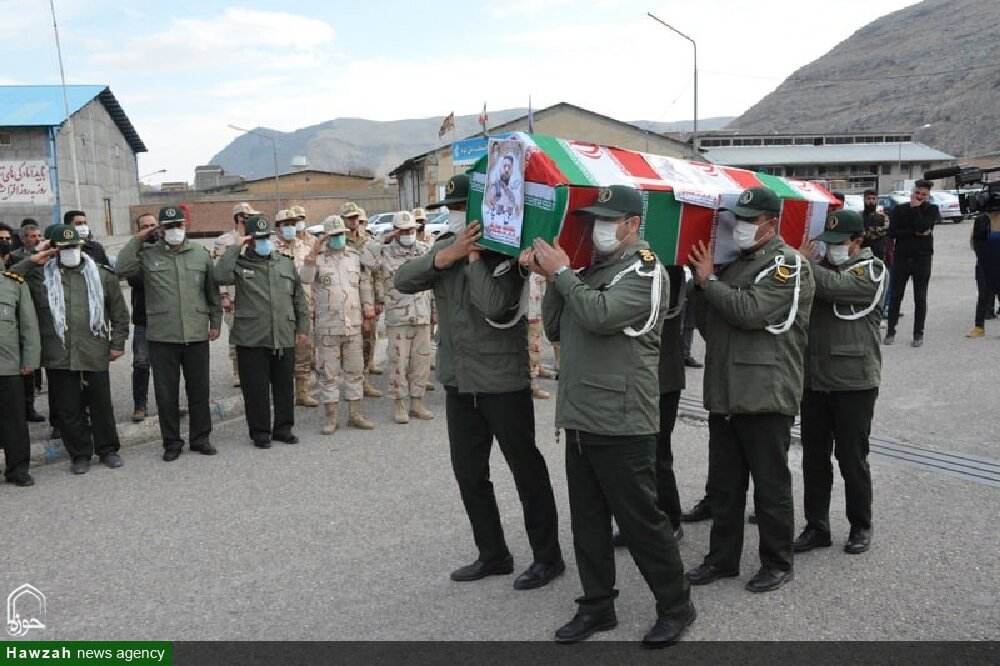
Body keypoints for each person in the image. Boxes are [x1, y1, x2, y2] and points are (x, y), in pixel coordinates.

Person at [527, 185, 694, 648]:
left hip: (622, 418)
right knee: (587, 521)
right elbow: (559, 326)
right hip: (582, 415)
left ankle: (676, 605)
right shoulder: (593, 269)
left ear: (632, 225)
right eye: (593, 220)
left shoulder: (644, 270)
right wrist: (556, 276)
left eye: (607, 220)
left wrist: (563, 275)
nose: (597, 229)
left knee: (642, 522)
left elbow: (601, 316)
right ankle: (597, 606)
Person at [395, 173, 563, 592]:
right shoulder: (444, 248)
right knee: (470, 474)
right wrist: (445, 257)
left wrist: (471, 260)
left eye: (459, 210)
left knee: (526, 470)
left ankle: (548, 558)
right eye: (448, 211)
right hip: (459, 381)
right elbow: (402, 281)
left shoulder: (505, 253)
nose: (453, 218)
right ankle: (493, 554)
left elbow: (493, 302)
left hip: (502, 382)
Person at [685, 186, 815, 593]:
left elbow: (750, 312)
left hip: (764, 392)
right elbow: (713, 324)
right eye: (734, 220)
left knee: (770, 485)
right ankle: (722, 559)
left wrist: (709, 284)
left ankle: (777, 562)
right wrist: (702, 287)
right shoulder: (735, 266)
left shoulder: (787, 265)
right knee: (724, 485)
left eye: (747, 220)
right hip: (726, 391)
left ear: (770, 224)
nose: (737, 227)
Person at [796, 210, 885, 556]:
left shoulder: (872, 271)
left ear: (858, 243)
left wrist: (803, 263)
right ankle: (816, 526)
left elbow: (838, 288)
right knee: (814, 460)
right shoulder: (819, 271)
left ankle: (860, 524)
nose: (831, 249)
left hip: (854, 383)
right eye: (828, 243)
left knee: (851, 459)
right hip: (815, 381)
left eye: (839, 243)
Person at [13, 225, 129, 475]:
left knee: (100, 405)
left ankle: (108, 450)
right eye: (64, 247)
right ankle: (79, 453)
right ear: (54, 249)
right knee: (69, 409)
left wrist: (118, 343)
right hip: (58, 353)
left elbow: (119, 313)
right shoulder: (39, 276)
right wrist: (34, 256)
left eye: (74, 246)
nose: (71, 251)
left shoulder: (102, 275)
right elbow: (10, 276)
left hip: (93, 349)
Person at [116, 204, 222, 461]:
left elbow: (212, 293)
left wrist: (215, 323)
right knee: (166, 393)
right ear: (160, 230)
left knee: (199, 390)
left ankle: (201, 438)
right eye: (169, 226)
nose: (175, 230)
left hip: (196, 333)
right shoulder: (148, 255)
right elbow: (122, 267)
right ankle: (172, 442)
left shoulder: (200, 254)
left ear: (185, 226)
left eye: (179, 225)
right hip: (162, 336)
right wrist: (140, 237)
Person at [215, 214, 310, 449]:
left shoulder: (285, 262)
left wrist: (303, 327)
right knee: (255, 389)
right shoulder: (239, 263)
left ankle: (283, 428)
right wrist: (236, 247)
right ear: (249, 240)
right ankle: (259, 432)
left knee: (284, 386)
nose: (263, 242)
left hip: (283, 333)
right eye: (258, 238)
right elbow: (220, 276)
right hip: (251, 336)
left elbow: (298, 297)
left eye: (266, 237)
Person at [300, 215, 376, 434]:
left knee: (355, 371)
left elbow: (364, 286)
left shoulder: (354, 257)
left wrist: (368, 311)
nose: (338, 239)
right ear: (326, 237)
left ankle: (356, 415)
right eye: (333, 236)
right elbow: (305, 278)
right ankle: (331, 418)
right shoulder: (318, 259)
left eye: (340, 235)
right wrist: (314, 251)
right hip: (327, 327)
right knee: (328, 374)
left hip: (352, 325)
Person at [377, 211, 434, 424]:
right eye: (404, 231)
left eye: (412, 230)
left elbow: (433, 281)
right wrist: (384, 239)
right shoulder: (385, 252)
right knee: (398, 363)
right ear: (396, 231)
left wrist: (434, 310)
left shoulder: (425, 250)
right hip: (398, 317)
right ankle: (399, 403)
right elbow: (365, 259)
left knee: (421, 362)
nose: (409, 234)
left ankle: (417, 402)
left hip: (421, 314)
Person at [0, 261, 41, 486]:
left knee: (14, 420)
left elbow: (28, 325)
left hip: (8, 365)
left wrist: (30, 360)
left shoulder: (13, 284)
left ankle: (17, 469)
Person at [885, 179, 939, 347]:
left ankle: (918, 333)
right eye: (917, 193)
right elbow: (893, 232)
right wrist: (915, 232)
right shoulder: (900, 209)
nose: (920, 197)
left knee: (920, 297)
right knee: (895, 296)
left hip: (922, 259)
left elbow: (923, 226)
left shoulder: (932, 209)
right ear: (912, 192)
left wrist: (916, 210)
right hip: (902, 258)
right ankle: (890, 331)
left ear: (928, 196)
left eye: (924, 195)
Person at [275, 209, 320, 408]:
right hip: (280, 308)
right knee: (281, 352)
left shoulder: (305, 246)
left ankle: (302, 392)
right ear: (278, 227)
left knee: (304, 349)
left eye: (292, 223)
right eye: (286, 224)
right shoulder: (271, 249)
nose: (290, 228)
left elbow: (312, 277)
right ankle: (282, 392)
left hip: (305, 305)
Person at [341, 201, 384, 397]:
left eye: (356, 218)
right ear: (343, 220)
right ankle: (351, 381)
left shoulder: (368, 240)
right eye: (350, 218)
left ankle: (364, 379)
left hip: (367, 298)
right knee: (348, 343)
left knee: (368, 340)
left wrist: (379, 299)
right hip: (345, 300)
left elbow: (377, 272)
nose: (354, 221)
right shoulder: (337, 241)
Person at [214, 203, 258, 388]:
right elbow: (219, 268)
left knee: (255, 335)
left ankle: (253, 370)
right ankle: (237, 371)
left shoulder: (255, 238)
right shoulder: (224, 241)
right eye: (248, 217)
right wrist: (223, 295)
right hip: (233, 296)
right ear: (240, 218)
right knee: (235, 335)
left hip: (252, 295)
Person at [7, 222, 45, 423]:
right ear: (23, 239)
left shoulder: (47, 256)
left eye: (39, 235)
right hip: (23, 317)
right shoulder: (16, 257)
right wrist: (34, 256)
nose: (37, 239)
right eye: (32, 236)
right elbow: (15, 272)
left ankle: (31, 406)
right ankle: (26, 408)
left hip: (43, 316)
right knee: (27, 367)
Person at [127, 213, 159, 423]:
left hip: (168, 319)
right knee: (141, 364)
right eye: (145, 227)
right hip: (144, 318)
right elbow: (135, 278)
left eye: (153, 225)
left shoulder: (169, 249)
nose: (150, 230)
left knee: (169, 365)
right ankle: (140, 405)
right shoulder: (134, 255)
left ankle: (171, 403)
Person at [968, 196, 1000, 338]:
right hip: (984, 263)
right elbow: (976, 242)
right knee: (983, 295)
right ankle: (979, 327)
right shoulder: (981, 220)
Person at [526, 272, 551, 400]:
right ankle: (531, 385)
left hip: (536, 311)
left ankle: (533, 380)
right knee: (529, 350)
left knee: (535, 348)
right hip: (525, 312)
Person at [861, 189, 889, 261]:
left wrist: (871, 231)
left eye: (874, 199)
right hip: (863, 251)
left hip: (878, 251)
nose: (871, 201)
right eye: (868, 198)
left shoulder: (883, 217)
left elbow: (886, 231)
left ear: (877, 200)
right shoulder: (859, 216)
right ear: (864, 199)